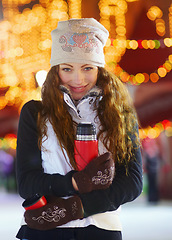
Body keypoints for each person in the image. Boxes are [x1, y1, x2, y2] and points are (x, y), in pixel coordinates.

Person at [16, 18, 143, 240]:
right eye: (67, 68)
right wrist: (74, 182)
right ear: (55, 70)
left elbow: (132, 182)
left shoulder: (119, 114)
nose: (78, 79)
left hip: (101, 229)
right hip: (44, 229)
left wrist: (77, 208)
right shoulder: (35, 113)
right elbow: (27, 183)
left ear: (99, 69)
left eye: (87, 68)